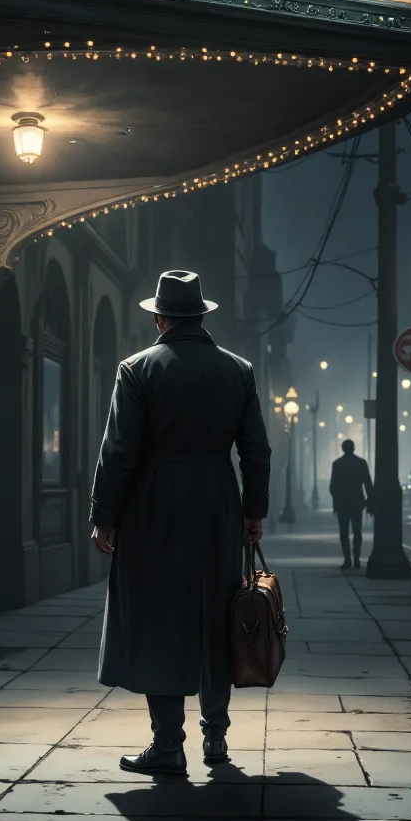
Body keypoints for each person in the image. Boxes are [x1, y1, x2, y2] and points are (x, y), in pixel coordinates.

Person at [89, 269, 272, 776]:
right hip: (217, 504)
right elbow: (255, 449)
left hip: (153, 506)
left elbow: (119, 451)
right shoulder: (238, 370)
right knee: (218, 616)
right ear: (201, 316)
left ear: (159, 317)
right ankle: (216, 739)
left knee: (157, 620)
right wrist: (252, 511)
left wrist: (104, 515)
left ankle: (168, 745)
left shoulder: (137, 369)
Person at [329, 438, 374, 572]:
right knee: (357, 531)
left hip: (342, 502)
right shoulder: (361, 463)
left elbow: (333, 486)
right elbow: (368, 484)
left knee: (344, 532)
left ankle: (347, 558)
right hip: (357, 501)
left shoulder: (337, 464)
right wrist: (369, 501)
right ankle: (356, 558)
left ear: (343, 448)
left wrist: (336, 502)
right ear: (353, 448)